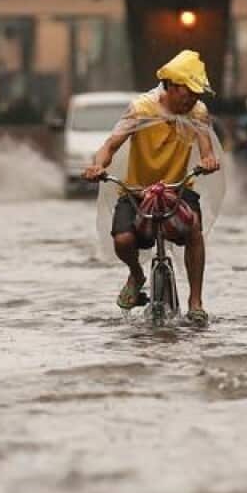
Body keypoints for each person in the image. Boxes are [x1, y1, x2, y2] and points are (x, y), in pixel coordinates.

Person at [82, 50, 222, 324]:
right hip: (136, 192)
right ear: (170, 85)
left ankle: (196, 301)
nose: (192, 98)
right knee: (122, 240)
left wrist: (208, 160)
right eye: (187, 91)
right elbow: (110, 146)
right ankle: (136, 274)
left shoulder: (198, 112)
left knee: (194, 229)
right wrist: (98, 166)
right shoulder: (141, 109)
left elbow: (206, 147)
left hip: (177, 190)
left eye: (197, 93)